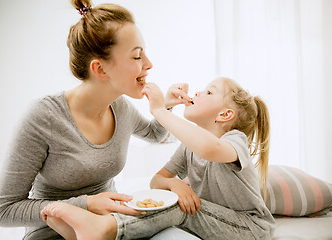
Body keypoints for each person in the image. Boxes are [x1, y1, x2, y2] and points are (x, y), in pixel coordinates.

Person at [0, 1, 192, 239]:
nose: (149, 64)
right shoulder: (43, 117)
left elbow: (154, 134)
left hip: (112, 224)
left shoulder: (120, 108)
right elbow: (4, 210)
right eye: (137, 56)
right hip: (53, 232)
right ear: (100, 69)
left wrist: (166, 106)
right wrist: (87, 204)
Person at [40, 77, 276, 240]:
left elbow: (210, 149)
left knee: (180, 209)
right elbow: (157, 180)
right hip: (213, 223)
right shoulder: (188, 148)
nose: (197, 93)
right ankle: (99, 228)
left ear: (225, 114)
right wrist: (174, 184)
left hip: (249, 230)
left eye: (208, 92)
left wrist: (160, 110)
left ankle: (105, 228)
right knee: (167, 199)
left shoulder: (235, 141)